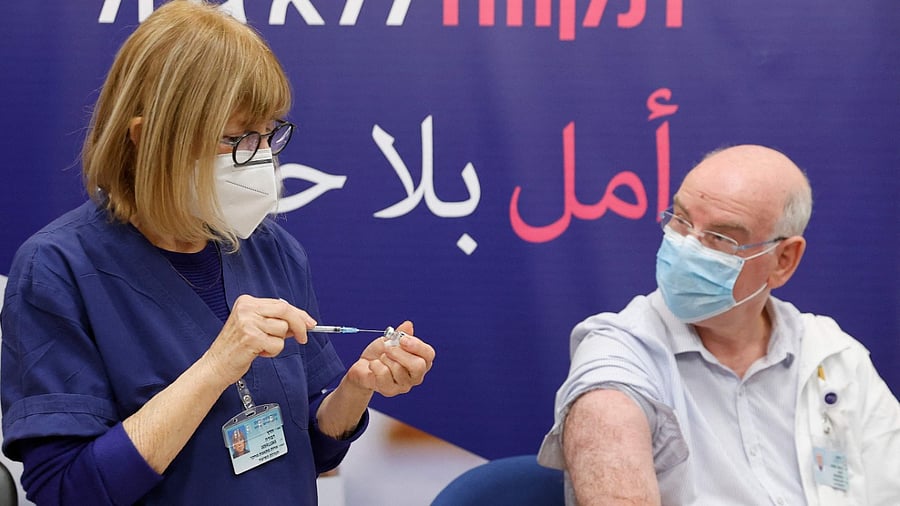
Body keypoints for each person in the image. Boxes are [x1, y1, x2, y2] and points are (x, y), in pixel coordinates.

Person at [0, 1, 435, 505]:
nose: (262, 157)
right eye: (236, 138)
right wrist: (216, 366)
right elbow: (68, 489)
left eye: (269, 133)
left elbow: (308, 451)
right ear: (147, 139)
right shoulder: (59, 271)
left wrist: (356, 390)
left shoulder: (272, 252)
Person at [537, 145, 900, 505]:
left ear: (783, 260)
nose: (686, 248)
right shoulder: (619, 351)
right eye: (680, 221)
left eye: (720, 237)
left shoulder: (835, 357)